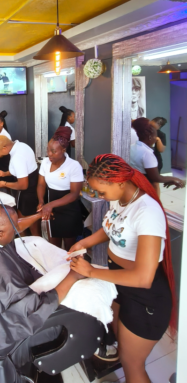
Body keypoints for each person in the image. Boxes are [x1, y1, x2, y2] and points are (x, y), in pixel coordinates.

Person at [68, 154, 177, 383]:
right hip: (122, 287)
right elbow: (110, 228)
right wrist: (83, 243)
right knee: (120, 340)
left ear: (118, 183)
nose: (99, 196)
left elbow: (144, 277)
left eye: (101, 191)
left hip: (145, 298)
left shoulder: (147, 211)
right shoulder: (119, 199)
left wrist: (90, 271)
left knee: (132, 365)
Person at [0, 205, 84, 380]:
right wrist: (73, 276)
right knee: (81, 310)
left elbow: (16, 225)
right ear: (0, 234)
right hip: (15, 335)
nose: (17, 232)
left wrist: (38, 216)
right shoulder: (3, 273)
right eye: (13, 229)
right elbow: (34, 310)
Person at [37, 127, 84, 251]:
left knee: (69, 248)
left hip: (69, 210)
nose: (49, 154)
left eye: (53, 151)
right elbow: (41, 184)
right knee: (54, 246)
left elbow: (74, 194)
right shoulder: (45, 163)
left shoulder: (73, 166)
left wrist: (50, 204)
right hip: (52, 210)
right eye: (48, 150)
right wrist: (41, 201)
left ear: (63, 150)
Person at [0, 136, 40, 234]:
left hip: (28, 193)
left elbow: (23, 185)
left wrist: (4, 184)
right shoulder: (22, 146)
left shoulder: (17, 157)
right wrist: (5, 173)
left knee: (25, 224)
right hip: (33, 187)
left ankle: (29, 244)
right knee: (28, 221)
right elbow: (21, 170)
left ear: (4, 148)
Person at [130, 118, 184, 191]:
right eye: (155, 137)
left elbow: (161, 149)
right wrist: (176, 179)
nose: (155, 139)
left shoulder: (132, 148)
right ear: (150, 137)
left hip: (133, 184)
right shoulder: (147, 153)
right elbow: (156, 178)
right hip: (144, 186)